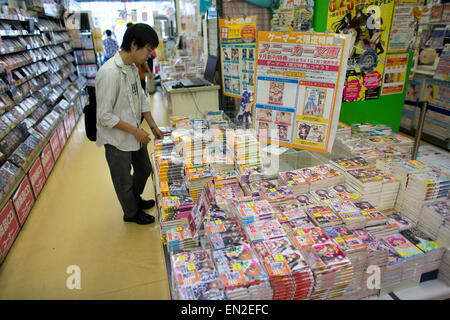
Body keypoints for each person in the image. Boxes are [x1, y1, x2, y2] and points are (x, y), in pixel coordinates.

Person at [96, 23, 164, 225]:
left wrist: (153, 127)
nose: (150, 55)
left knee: (144, 169)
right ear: (134, 45)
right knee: (123, 180)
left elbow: (142, 99)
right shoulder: (109, 73)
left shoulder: (132, 68)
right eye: (148, 49)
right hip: (117, 139)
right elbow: (104, 116)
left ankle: (134, 201)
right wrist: (136, 131)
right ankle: (131, 213)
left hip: (135, 134)